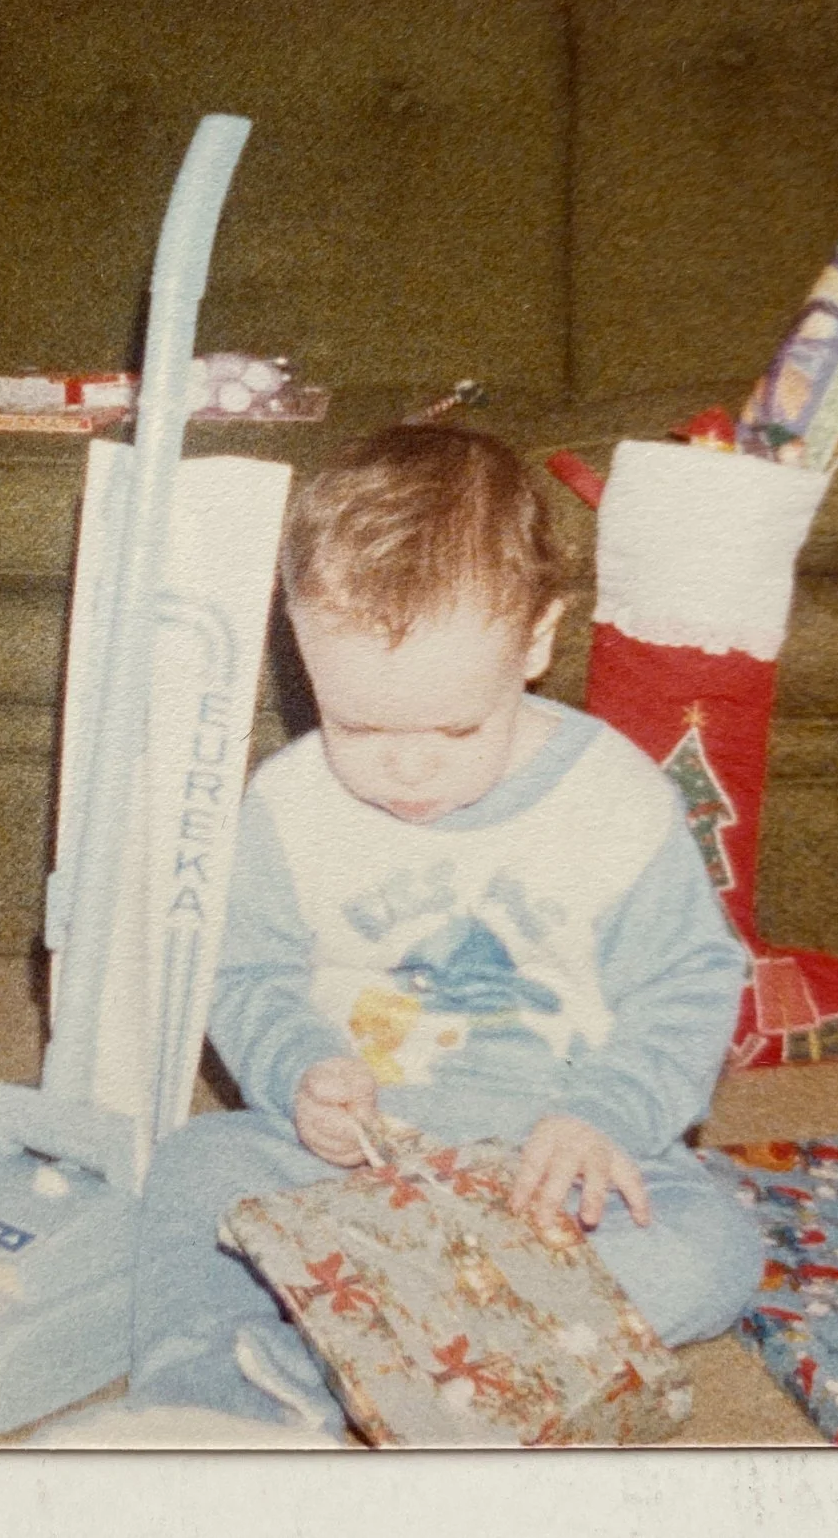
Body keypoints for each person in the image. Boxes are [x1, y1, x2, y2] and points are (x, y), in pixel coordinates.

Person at [125, 425, 760, 1430]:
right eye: (360, 728)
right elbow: (245, 974)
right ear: (298, 646)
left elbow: (689, 980)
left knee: (714, 1248)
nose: (407, 771)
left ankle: (348, 1360)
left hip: (549, 1170)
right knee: (196, 1170)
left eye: (455, 728)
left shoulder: (613, 799)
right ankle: (212, 1402)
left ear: (539, 641)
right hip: (355, 1165)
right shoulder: (287, 807)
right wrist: (300, 1073)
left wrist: (606, 1115)